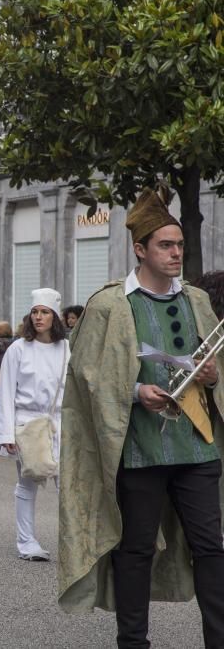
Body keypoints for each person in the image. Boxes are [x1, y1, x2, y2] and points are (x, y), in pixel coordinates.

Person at [58, 184, 224, 648]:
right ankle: (133, 643)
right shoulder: (109, 304)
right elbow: (85, 377)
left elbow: (220, 374)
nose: (176, 254)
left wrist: (211, 377)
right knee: (134, 550)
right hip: (137, 448)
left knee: (211, 548)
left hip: (196, 446)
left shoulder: (198, 301)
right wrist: (134, 391)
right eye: (166, 246)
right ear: (140, 249)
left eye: (180, 246)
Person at [0, 289, 69, 561]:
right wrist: (6, 432)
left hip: (61, 423)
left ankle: (73, 543)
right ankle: (26, 542)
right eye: (35, 312)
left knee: (68, 487)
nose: (39, 317)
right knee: (27, 484)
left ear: (54, 316)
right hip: (27, 424)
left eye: (45, 312)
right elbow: (5, 392)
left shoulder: (66, 348)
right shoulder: (18, 348)